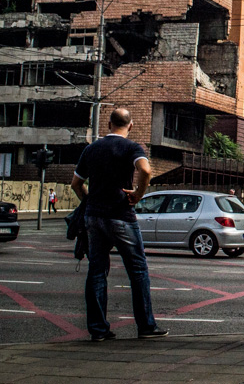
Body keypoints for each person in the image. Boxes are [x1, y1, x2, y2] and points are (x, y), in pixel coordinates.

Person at [71, 108, 167, 342]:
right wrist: (138, 194)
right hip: (121, 215)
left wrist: (90, 199)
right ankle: (146, 325)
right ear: (130, 125)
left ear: (108, 124)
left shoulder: (91, 149)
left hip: (94, 217)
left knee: (96, 272)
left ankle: (98, 330)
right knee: (137, 270)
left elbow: (76, 183)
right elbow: (145, 170)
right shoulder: (132, 148)